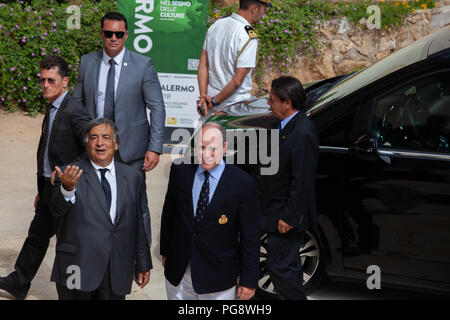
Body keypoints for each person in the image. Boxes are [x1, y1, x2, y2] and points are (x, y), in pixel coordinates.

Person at [0, 56, 91, 300]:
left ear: (65, 82)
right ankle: (19, 282)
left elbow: (91, 149)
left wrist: (67, 175)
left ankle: (75, 292)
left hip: (66, 190)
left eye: (51, 80)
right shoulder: (53, 108)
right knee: (37, 235)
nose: (46, 85)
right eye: (42, 80)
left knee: (67, 245)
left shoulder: (74, 111)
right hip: (48, 188)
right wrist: (42, 188)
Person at [73, 11, 166, 246]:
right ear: (101, 34)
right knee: (95, 205)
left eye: (119, 33)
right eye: (108, 33)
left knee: (136, 205)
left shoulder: (143, 65)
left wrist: (154, 147)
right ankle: (102, 252)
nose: (113, 38)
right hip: (95, 149)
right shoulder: (87, 63)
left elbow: (157, 107)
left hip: (130, 151)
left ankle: (140, 259)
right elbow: (77, 106)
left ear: (126, 35)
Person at [49, 118, 151, 300]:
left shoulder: (133, 177)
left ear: (116, 144)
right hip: (77, 268)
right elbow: (55, 211)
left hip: (116, 270)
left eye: (106, 137)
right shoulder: (68, 174)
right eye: (94, 138)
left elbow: (137, 221)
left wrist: (143, 262)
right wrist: (67, 189)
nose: (100, 143)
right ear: (87, 145)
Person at [160, 122, 260, 300]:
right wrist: (166, 251)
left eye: (213, 149)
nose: (206, 155)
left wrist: (249, 279)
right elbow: (169, 214)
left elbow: (250, 236)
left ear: (224, 148)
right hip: (179, 274)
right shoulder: (180, 171)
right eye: (202, 147)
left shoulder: (242, 183)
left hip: (218, 279)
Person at [258, 76, 319, 300]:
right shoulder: (285, 125)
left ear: (287, 103)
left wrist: (289, 217)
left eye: (272, 100)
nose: (268, 103)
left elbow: (302, 181)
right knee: (287, 266)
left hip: (286, 216)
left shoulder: (302, 134)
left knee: (279, 266)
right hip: (275, 210)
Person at [197, 0, 271, 116]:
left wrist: (203, 97)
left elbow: (203, 65)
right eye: (264, 10)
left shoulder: (216, 25)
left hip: (209, 106)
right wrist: (213, 101)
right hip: (234, 109)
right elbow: (237, 81)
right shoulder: (247, 36)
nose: (264, 15)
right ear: (254, 8)